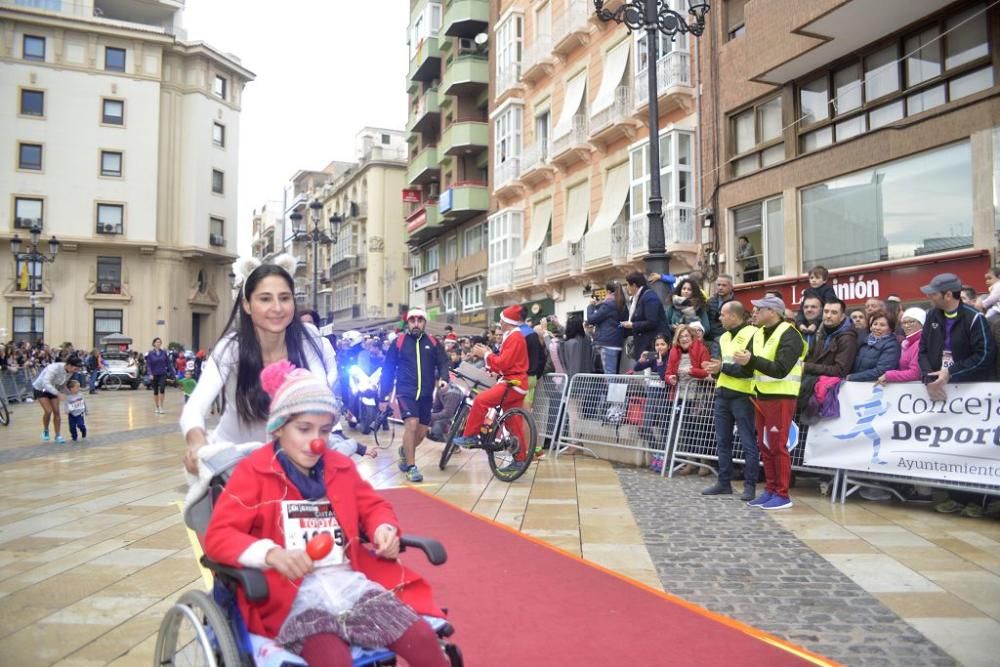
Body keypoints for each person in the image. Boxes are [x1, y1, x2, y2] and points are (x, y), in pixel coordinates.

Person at [202, 364, 448, 666]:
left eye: (324, 431)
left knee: (422, 639)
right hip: (293, 597)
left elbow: (373, 506)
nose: (316, 441)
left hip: (349, 586)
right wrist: (271, 554)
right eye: (304, 429)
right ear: (278, 427)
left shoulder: (340, 467)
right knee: (332, 659)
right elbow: (219, 536)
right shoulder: (253, 473)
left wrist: (383, 527)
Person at [181, 256, 341, 475]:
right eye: (265, 299)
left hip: (293, 465)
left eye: (284, 298)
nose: (277, 308)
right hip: (234, 467)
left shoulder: (308, 342)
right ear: (247, 304)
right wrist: (196, 442)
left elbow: (321, 397)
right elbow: (195, 406)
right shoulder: (230, 348)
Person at [732, 296, 805, 511]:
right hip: (761, 395)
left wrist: (750, 361)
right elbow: (750, 366)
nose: (754, 313)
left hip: (781, 396)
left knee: (777, 445)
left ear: (772, 311)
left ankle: (782, 494)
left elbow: (781, 368)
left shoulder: (791, 335)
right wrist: (741, 361)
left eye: (759, 309)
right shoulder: (758, 333)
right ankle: (771, 490)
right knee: (765, 445)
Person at [452, 305, 531, 475]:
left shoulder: (515, 337)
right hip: (517, 383)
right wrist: (489, 356)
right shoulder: (514, 336)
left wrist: (486, 355)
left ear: (507, 322)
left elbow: (503, 363)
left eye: (501, 319)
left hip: (512, 383)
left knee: (481, 400)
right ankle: (520, 460)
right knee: (513, 423)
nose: (499, 322)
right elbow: (506, 363)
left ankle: (470, 435)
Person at [378, 309, 449, 483]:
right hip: (405, 391)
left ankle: (404, 451)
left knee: (422, 432)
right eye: (412, 320)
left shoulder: (432, 342)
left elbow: (443, 362)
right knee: (411, 424)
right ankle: (412, 467)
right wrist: (383, 396)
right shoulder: (399, 342)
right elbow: (387, 370)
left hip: (425, 393)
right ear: (407, 323)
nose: (416, 323)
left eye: (420, 320)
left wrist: (444, 378)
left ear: (424, 322)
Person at [701, 301, 759, 500]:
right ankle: (723, 482)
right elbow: (719, 364)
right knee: (722, 441)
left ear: (734, 316)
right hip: (722, 393)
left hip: (743, 395)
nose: (719, 318)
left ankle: (750, 485)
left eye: (723, 315)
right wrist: (714, 369)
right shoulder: (722, 337)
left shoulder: (753, 334)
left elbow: (748, 369)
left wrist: (721, 369)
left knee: (747, 442)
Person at [918, 272, 994, 402]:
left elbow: (984, 355)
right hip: (935, 388)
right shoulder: (931, 315)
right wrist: (929, 378)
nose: (928, 296)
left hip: (968, 394)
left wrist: (951, 372)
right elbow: (923, 350)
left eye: (933, 294)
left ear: (948, 295)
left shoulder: (975, 318)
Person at [31, 353, 83, 444]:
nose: (76, 371)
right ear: (69, 365)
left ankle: (58, 435)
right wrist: (58, 394)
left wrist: (70, 394)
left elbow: (62, 385)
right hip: (41, 388)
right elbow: (46, 383)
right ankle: (46, 430)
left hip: (54, 389)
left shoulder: (70, 372)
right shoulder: (54, 368)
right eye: (75, 369)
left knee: (56, 412)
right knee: (48, 411)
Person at [623, 271, 670, 363]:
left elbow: (652, 322)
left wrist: (632, 325)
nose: (627, 288)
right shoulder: (640, 297)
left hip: (652, 346)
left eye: (628, 285)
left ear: (634, 285)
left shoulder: (649, 298)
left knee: (652, 373)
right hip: (647, 345)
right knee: (646, 372)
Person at [846, 310, 901, 382]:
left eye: (882, 325)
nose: (877, 328)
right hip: (857, 385)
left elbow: (881, 371)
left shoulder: (892, 346)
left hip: (875, 387)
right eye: (875, 324)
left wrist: (851, 377)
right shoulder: (865, 340)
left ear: (890, 329)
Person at [587, 280, 628, 375]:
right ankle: (614, 390)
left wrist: (591, 306)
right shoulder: (622, 305)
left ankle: (613, 390)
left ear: (608, 291)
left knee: (610, 374)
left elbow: (591, 319)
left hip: (607, 344)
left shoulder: (608, 305)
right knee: (614, 374)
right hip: (617, 343)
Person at [706, 274, 735, 342]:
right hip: (709, 339)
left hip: (726, 339)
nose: (720, 287)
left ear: (731, 287)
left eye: (724, 285)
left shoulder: (735, 304)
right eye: (718, 285)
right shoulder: (710, 301)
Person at [146, 337, 171, 415]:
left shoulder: (164, 352)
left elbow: (168, 363)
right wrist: (150, 374)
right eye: (157, 342)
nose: (158, 343)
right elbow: (148, 365)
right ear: (154, 343)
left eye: (160, 342)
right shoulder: (150, 353)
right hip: (154, 374)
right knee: (155, 391)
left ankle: (161, 407)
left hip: (162, 373)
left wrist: (172, 373)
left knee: (162, 389)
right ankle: (157, 406)